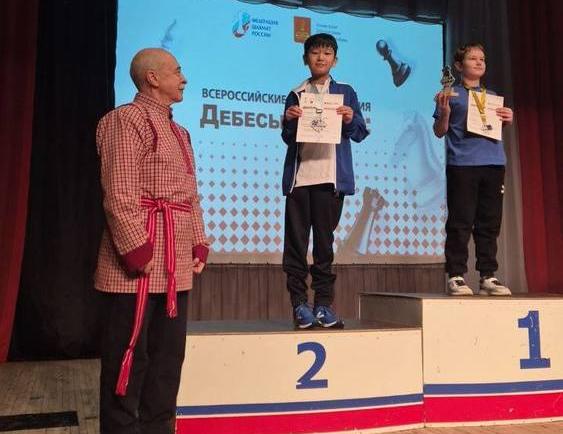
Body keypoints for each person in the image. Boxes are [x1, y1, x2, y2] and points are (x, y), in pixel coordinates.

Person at [95, 47, 209, 434]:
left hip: (175, 266)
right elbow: (119, 191)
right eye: (177, 71)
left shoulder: (180, 132)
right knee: (129, 359)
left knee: (167, 361)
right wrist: (135, 247)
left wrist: (198, 240)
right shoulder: (125, 120)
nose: (184, 78)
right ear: (153, 78)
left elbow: (190, 195)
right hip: (136, 267)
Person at [281, 33, 369, 329]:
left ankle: (322, 305)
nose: (321, 57)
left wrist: (350, 118)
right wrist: (289, 120)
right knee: (295, 245)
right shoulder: (296, 93)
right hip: (299, 180)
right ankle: (298, 304)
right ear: (305, 58)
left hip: (331, 180)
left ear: (335, 59)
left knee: (324, 245)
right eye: (315, 53)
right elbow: (287, 138)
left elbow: (360, 132)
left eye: (327, 53)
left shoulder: (345, 92)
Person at [433, 43, 513, 296]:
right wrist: (445, 112)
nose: (479, 62)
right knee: (461, 221)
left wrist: (506, 119)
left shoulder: (492, 97)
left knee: (489, 223)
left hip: (493, 163)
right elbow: (439, 131)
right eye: (472, 58)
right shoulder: (450, 94)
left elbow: (493, 129)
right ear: (459, 65)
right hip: (463, 165)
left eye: (482, 59)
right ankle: (456, 275)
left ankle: (488, 275)